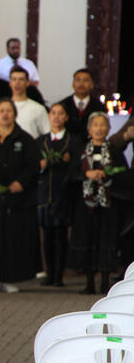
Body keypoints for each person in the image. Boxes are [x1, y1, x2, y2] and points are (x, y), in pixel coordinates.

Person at [0, 98, 41, 293]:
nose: (5, 115)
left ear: (14, 115)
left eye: (8, 111)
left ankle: (9, 278)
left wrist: (21, 183)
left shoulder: (25, 139)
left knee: (13, 240)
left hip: (18, 200)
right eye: (1, 111)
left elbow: (34, 165)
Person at [69, 112, 129, 294]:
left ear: (109, 129)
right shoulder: (80, 150)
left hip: (108, 205)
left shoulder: (114, 151)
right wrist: (86, 175)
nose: (99, 129)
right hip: (85, 206)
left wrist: (108, 174)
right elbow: (70, 174)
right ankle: (88, 282)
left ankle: (104, 282)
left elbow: (125, 175)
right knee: (88, 240)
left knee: (106, 241)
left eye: (103, 125)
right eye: (95, 125)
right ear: (89, 129)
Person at [36, 102, 83, 287]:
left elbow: (77, 167)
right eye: (53, 113)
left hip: (63, 193)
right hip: (44, 193)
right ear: (49, 116)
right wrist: (41, 166)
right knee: (47, 237)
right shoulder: (41, 141)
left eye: (60, 113)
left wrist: (66, 163)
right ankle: (49, 273)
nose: (56, 116)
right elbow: (34, 166)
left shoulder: (73, 140)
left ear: (66, 117)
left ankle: (59, 275)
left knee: (61, 236)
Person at [0, 66, 49, 139]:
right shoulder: (0, 108)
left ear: (27, 83)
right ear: (10, 83)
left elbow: (48, 135)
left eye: (21, 79)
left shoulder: (38, 109)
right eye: (14, 79)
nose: (17, 83)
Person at [58, 68, 106, 138]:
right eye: (78, 80)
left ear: (92, 84)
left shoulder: (99, 107)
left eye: (85, 80)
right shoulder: (63, 105)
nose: (81, 84)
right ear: (73, 84)